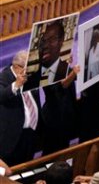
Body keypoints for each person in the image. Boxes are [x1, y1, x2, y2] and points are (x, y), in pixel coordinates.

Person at [25, 19, 79, 154]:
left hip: (67, 114)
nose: (47, 45)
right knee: (51, 151)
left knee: (64, 148)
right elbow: (59, 87)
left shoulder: (62, 64)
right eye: (44, 40)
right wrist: (72, 73)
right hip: (53, 119)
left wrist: (69, 68)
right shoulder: (42, 69)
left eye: (53, 39)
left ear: (61, 41)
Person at [0, 51, 39, 165]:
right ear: (17, 67)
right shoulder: (4, 76)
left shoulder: (29, 74)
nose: (31, 70)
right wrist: (16, 85)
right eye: (28, 67)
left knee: (28, 166)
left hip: (31, 132)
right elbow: (1, 95)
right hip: (13, 136)